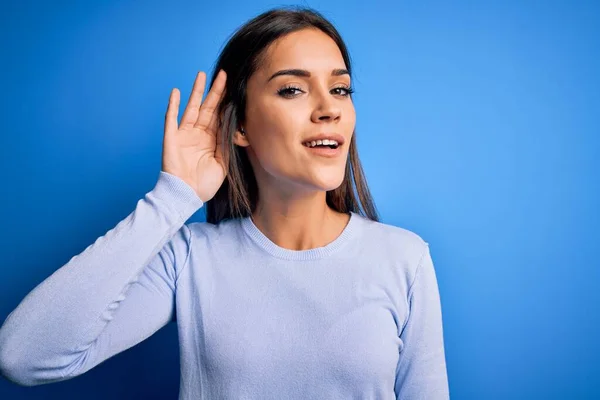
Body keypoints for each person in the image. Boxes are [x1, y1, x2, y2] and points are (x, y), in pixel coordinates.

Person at [0, 6, 449, 399]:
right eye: (292, 89)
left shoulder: (404, 259)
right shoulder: (191, 257)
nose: (328, 108)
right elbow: (24, 357)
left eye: (341, 89)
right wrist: (172, 199)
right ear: (241, 128)